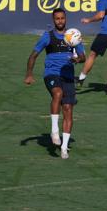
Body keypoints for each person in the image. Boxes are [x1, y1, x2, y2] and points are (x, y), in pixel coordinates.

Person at [24, 8, 86, 159]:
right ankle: (54, 130)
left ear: (66, 19)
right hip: (51, 73)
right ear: (53, 20)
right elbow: (33, 56)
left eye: (62, 18)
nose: (60, 21)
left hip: (68, 76)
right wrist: (29, 75)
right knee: (57, 93)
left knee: (68, 108)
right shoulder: (48, 36)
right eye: (57, 18)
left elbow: (83, 56)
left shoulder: (73, 35)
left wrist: (77, 59)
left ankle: (64, 147)